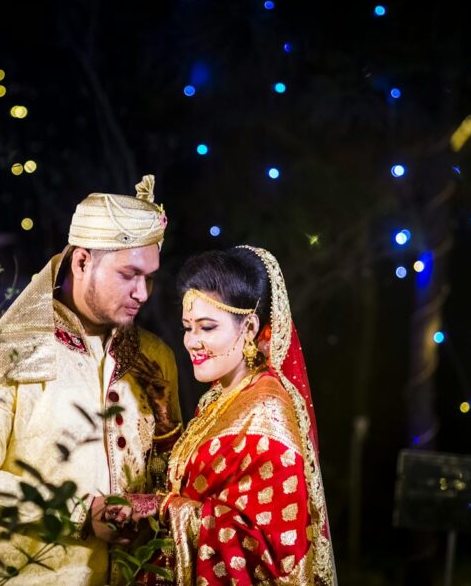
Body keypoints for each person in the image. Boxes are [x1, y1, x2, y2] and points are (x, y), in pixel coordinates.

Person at [0, 176, 183, 585]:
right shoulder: (7, 353)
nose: (143, 293)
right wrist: (80, 514)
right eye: (129, 274)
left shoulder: (155, 358)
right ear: (80, 262)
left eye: (149, 278)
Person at [138, 245, 336, 585]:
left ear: (248, 328)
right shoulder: (218, 397)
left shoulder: (267, 410)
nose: (192, 342)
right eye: (188, 327)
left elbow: (269, 553)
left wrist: (159, 509)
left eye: (207, 327)